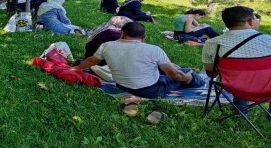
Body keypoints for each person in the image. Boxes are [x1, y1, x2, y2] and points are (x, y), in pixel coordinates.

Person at [73, 22, 204, 99]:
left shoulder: (106, 46)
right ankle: (201, 83)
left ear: (122, 33)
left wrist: (75, 69)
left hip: (121, 85)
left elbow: (90, 61)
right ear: (144, 37)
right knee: (186, 72)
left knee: (162, 74)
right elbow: (174, 75)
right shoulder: (154, 50)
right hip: (150, 91)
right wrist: (186, 77)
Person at [202, 6, 271, 119]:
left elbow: (210, 71)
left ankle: (240, 112)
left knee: (240, 78)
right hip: (270, 90)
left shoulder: (213, 43)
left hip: (235, 88)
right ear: (250, 21)